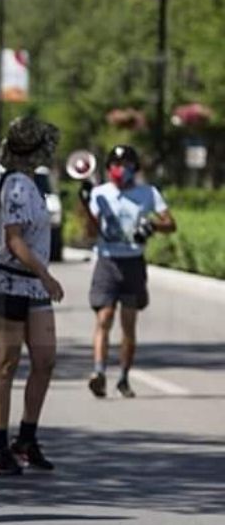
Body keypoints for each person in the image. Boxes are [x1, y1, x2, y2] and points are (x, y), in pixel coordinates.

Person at [0, 118, 65, 475]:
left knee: (44, 359)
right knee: (6, 363)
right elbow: (13, 239)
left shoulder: (30, 183)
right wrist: (46, 275)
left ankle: (26, 438)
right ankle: (0, 447)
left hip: (32, 287)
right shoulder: (15, 184)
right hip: (9, 282)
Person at [83, 144, 177, 398]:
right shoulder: (100, 193)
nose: (119, 169)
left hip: (133, 263)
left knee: (128, 324)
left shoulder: (148, 193)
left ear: (134, 168)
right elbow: (90, 233)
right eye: (115, 164)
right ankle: (99, 372)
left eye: (125, 165)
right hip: (107, 261)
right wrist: (86, 208)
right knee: (104, 318)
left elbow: (170, 223)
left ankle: (123, 377)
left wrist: (153, 226)